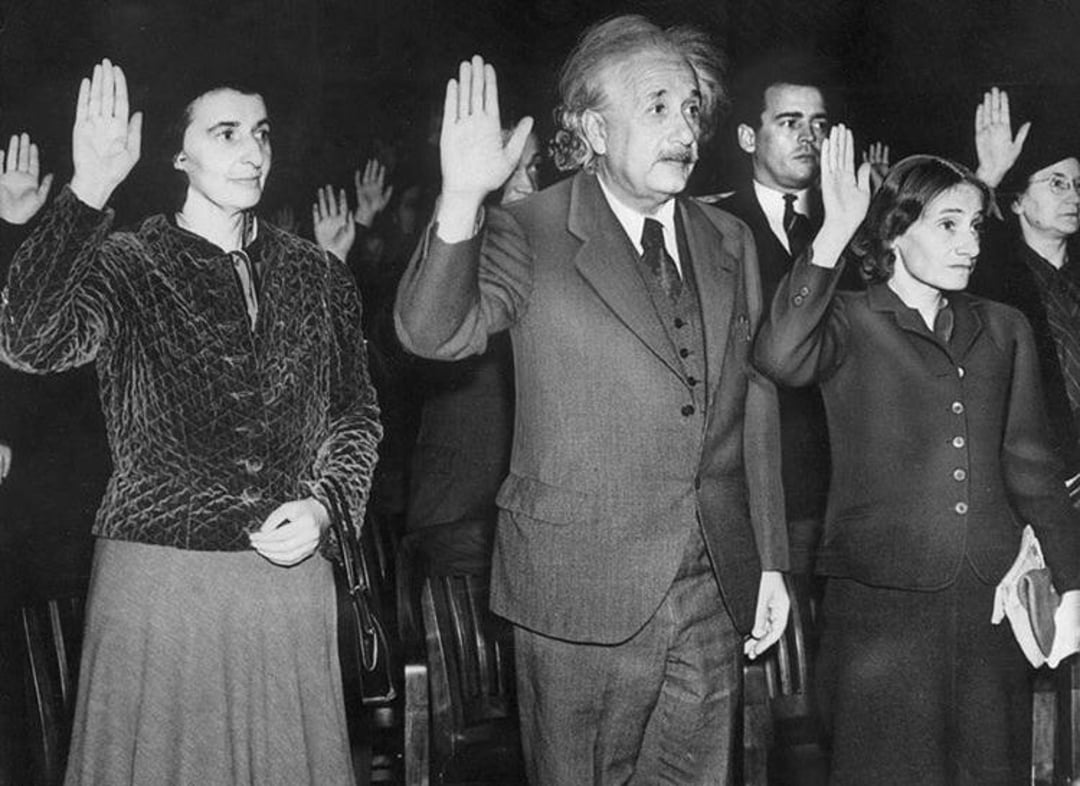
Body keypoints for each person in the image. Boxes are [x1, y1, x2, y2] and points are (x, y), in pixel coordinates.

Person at [394, 15, 789, 784]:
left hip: (712, 590)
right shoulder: (526, 229)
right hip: (579, 596)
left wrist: (770, 558)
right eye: (656, 107)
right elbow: (432, 334)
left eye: (691, 108)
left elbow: (756, 406)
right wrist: (461, 200)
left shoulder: (728, 241)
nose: (684, 128)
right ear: (591, 127)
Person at [0, 59, 382, 785]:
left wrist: (327, 507)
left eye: (262, 134)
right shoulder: (128, 262)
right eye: (227, 132)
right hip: (160, 588)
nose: (253, 152)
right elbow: (26, 340)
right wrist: (86, 191)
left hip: (286, 580)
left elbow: (356, 415)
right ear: (180, 153)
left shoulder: (317, 274)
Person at [753, 128, 1080, 786]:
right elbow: (778, 356)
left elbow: (1032, 465)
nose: (970, 244)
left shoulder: (1004, 327)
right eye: (949, 224)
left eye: (978, 228)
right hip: (880, 612)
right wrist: (831, 236)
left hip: (989, 604)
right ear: (897, 231)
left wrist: (1073, 582)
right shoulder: (845, 320)